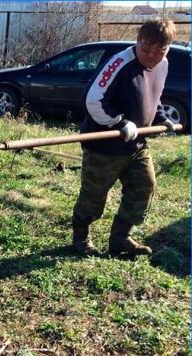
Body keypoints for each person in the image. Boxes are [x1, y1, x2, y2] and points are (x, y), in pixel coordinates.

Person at [72, 18, 176, 257]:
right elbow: (93, 100)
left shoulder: (164, 64)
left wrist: (161, 118)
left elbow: (154, 95)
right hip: (104, 145)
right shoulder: (120, 62)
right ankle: (80, 239)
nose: (151, 56)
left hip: (137, 145)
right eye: (146, 49)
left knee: (144, 186)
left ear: (167, 47)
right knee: (93, 196)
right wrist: (119, 121)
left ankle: (120, 239)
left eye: (159, 51)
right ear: (138, 41)